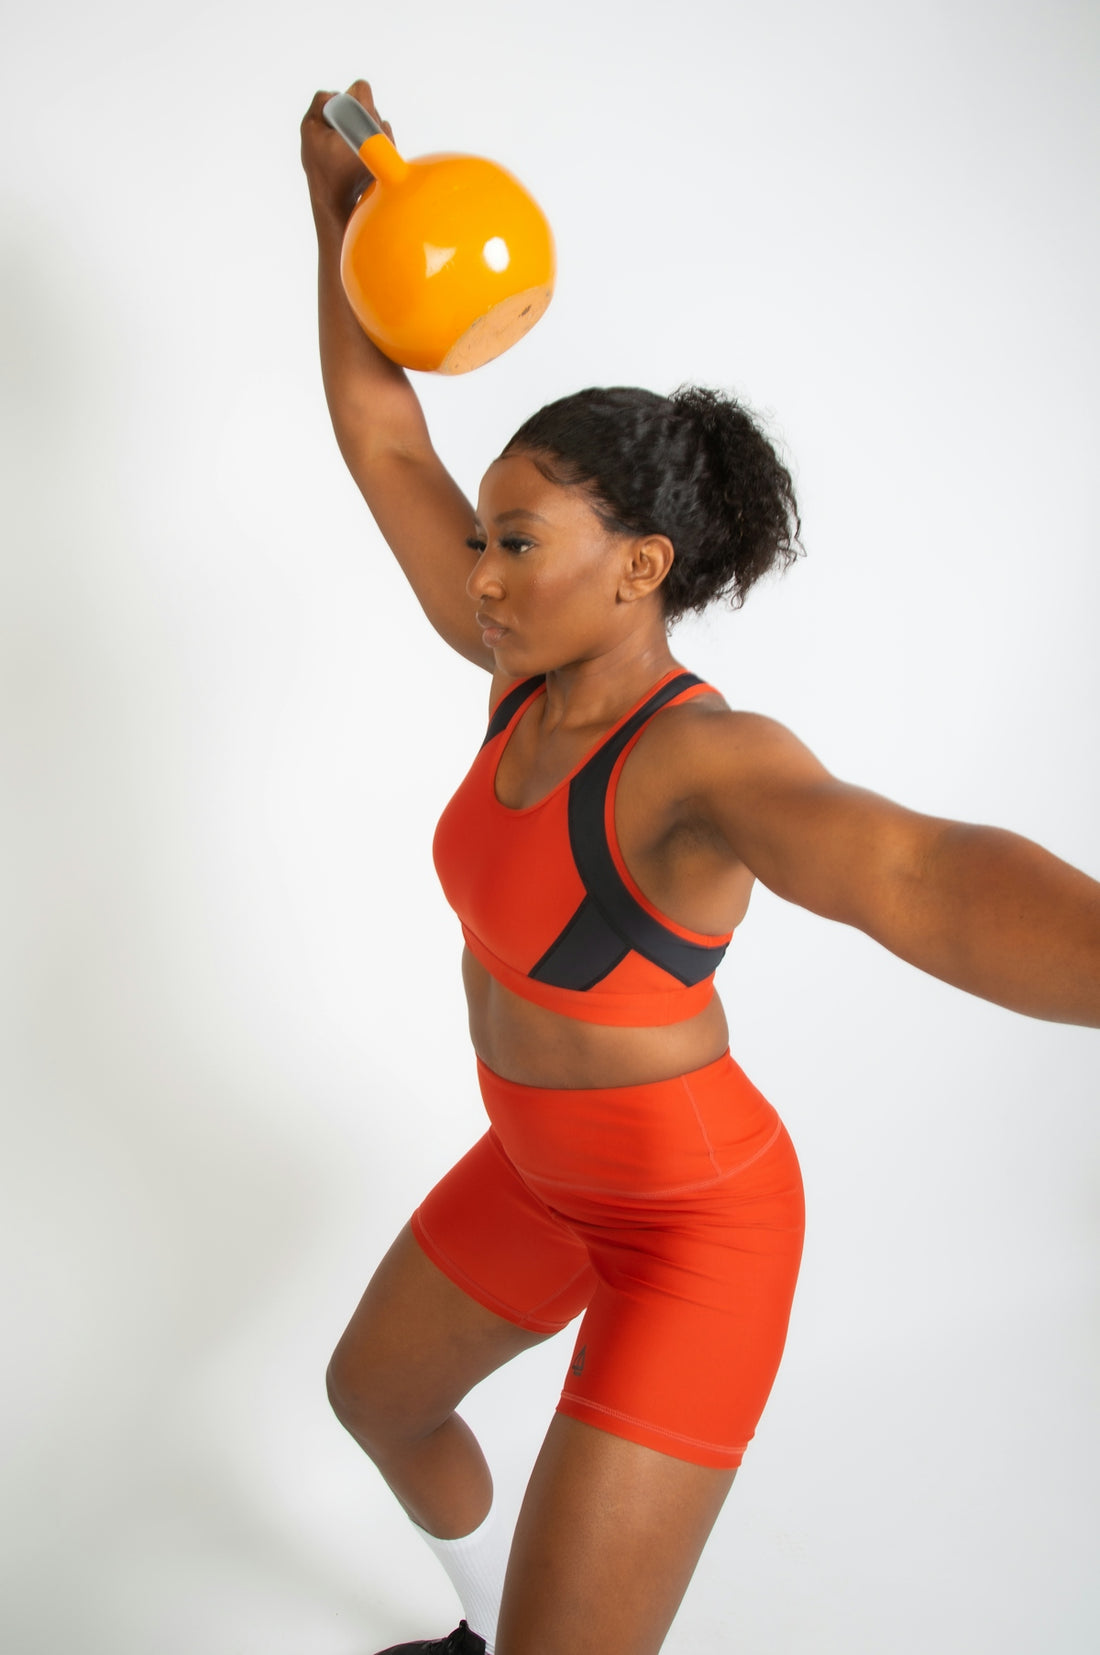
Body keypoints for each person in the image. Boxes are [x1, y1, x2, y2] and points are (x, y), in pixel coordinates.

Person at [300, 81, 1100, 1655]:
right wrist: (338, 212)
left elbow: (922, 875)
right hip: (536, 1170)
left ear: (638, 571)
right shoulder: (517, 661)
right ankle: (471, 1634)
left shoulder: (703, 763)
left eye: (515, 541)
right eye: (484, 538)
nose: (477, 569)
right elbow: (385, 428)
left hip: (692, 1224)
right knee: (376, 1401)